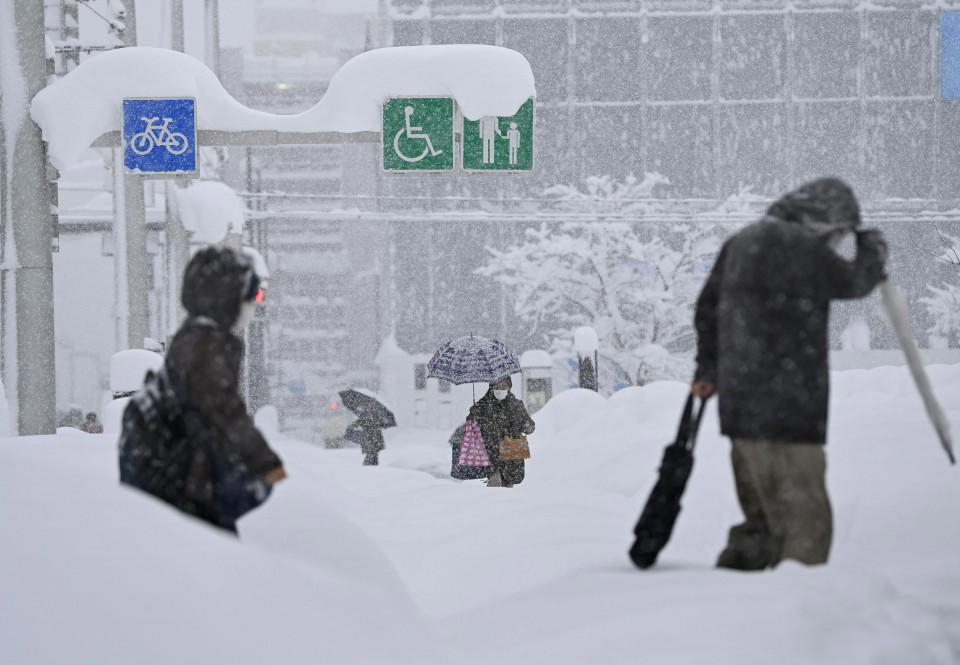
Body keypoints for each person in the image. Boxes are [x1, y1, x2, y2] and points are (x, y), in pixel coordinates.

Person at [692, 177, 887, 570]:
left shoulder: (741, 242)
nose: (835, 241)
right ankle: (797, 593)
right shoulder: (804, 248)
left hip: (741, 404)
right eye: (838, 233)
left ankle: (734, 584)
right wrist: (871, 247)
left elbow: (706, 309)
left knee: (759, 510)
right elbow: (853, 282)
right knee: (803, 517)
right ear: (824, 220)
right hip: (792, 405)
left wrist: (708, 368)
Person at [119, 247, 286, 533]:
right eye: (249, 297)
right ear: (228, 298)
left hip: (177, 480)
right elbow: (221, 409)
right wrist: (266, 465)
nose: (252, 306)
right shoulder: (207, 344)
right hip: (186, 484)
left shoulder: (194, 337)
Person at [467, 376, 535, 488]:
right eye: (497, 386)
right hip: (491, 455)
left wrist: (522, 423)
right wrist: (473, 413)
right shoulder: (482, 406)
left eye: (504, 386)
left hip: (511, 455)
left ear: (509, 387)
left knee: (508, 489)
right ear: (491, 387)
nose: (500, 389)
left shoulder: (516, 405)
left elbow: (530, 427)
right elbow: (471, 427)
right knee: (494, 488)